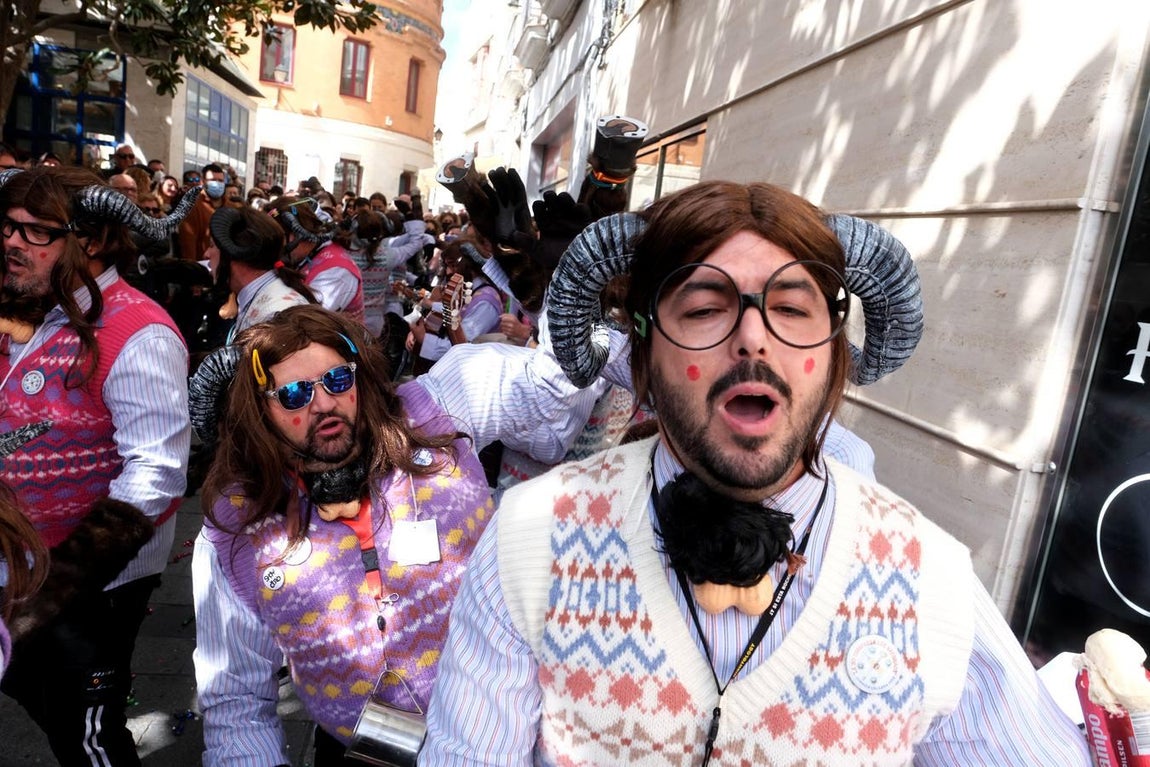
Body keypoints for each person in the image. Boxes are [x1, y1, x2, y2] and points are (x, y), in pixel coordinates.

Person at [422, 181, 1092, 765]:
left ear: (834, 353)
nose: (753, 337)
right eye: (704, 308)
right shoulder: (530, 541)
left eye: (792, 308)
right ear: (645, 351)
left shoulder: (931, 583)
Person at [190, 305, 493, 765]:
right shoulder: (236, 530)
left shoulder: (435, 415)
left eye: (336, 380)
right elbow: (237, 700)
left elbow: (551, 383)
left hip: (495, 735)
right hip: (363, 751)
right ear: (260, 412)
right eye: (293, 394)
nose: (323, 404)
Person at [0, 165, 194, 765]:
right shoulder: (27, 304)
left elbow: (156, 472)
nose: (12, 242)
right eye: (8, 226)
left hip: (87, 588)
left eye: (37, 232)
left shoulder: (138, 331)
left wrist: (62, 582)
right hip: (17, 570)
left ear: (90, 240)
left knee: (88, 739)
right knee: (39, 695)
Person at [205, 205, 316, 340]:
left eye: (212, 246)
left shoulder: (275, 316)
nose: (206, 254)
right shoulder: (263, 297)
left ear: (233, 253)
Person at [177, 162, 228, 260]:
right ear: (203, 181)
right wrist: (192, 266)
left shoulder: (230, 205)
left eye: (220, 180)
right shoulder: (192, 206)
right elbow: (188, 242)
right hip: (203, 263)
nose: (217, 183)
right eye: (212, 180)